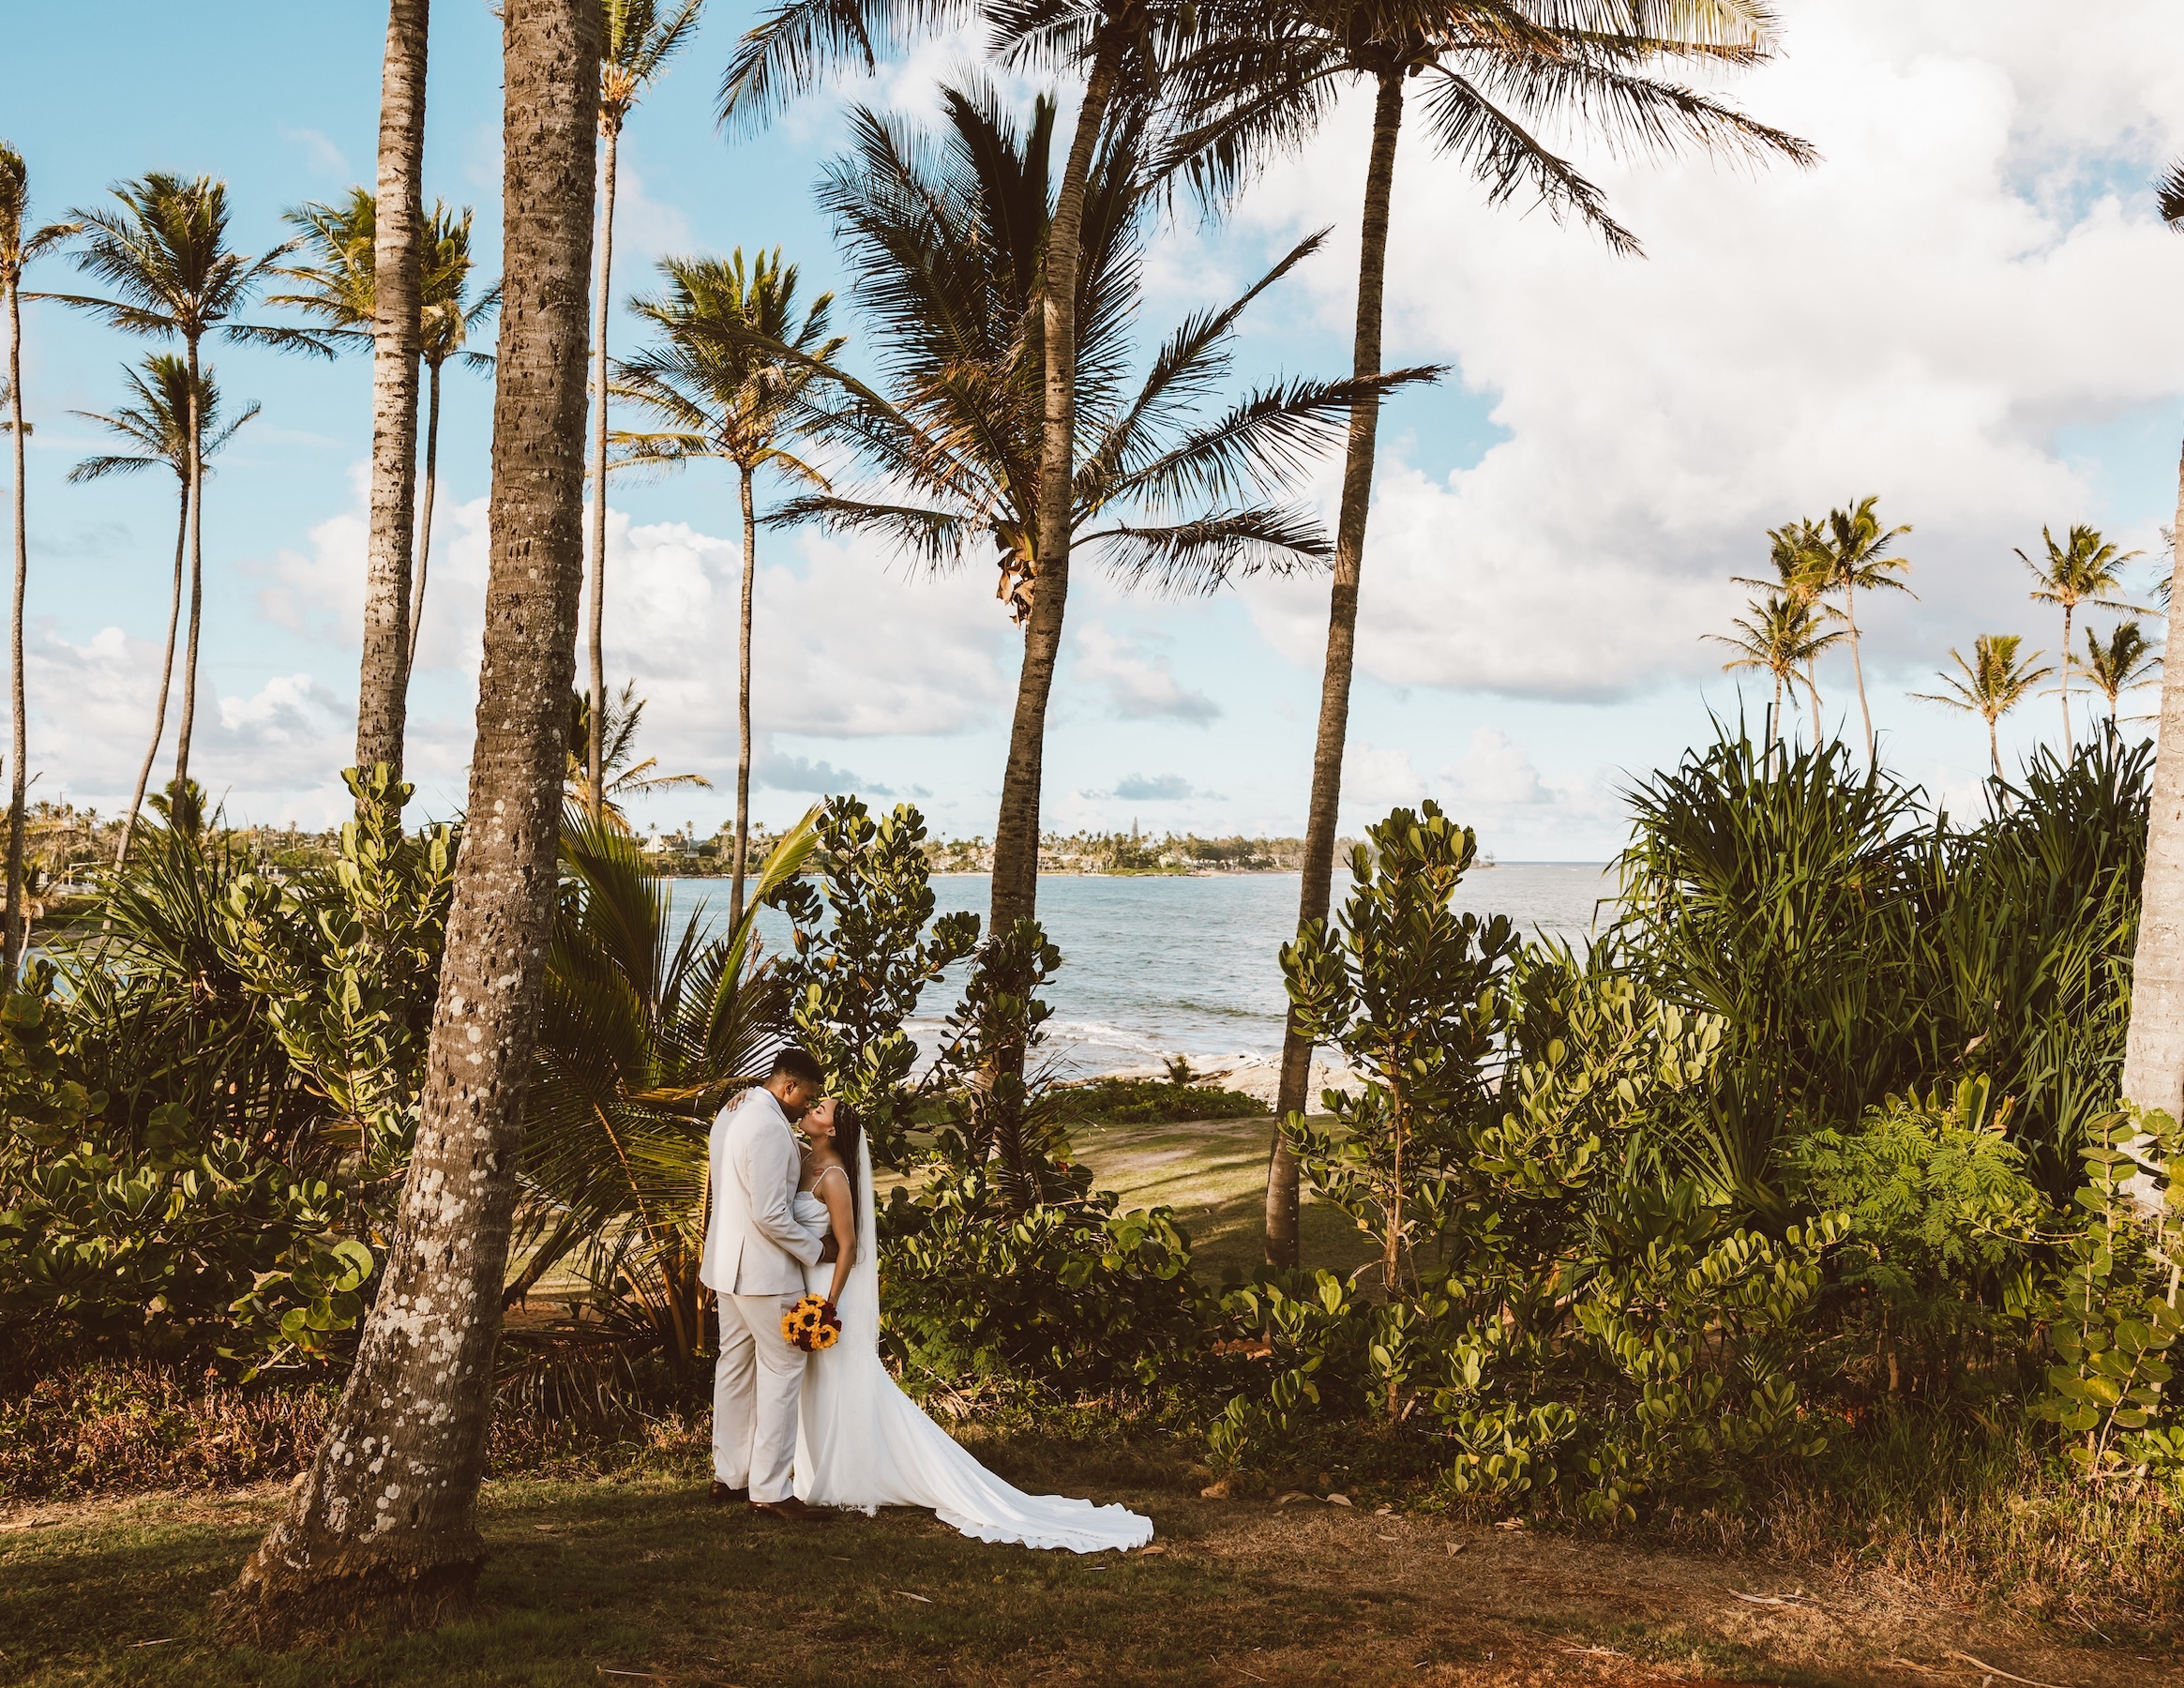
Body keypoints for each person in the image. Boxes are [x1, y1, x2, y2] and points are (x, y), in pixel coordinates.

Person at [787, 1094, 1154, 1553]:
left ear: (833, 1131)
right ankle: (822, 1468)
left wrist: (829, 1305)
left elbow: (849, 1247)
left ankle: (849, 1475)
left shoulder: (836, 1178)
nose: (808, 1110)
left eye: (818, 1109)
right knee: (819, 1384)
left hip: (826, 1291)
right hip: (803, 1287)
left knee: (846, 1382)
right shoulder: (802, 1157)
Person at [700, 1047, 836, 1522]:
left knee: (734, 1367)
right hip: (763, 1273)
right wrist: (818, 1251)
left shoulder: (732, 1113)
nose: (807, 1108)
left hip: (725, 1268)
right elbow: (771, 1213)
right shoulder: (768, 1126)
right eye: (807, 1098)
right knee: (783, 1368)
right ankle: (771, 1490)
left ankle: (730, 1475)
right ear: (788, 1087)